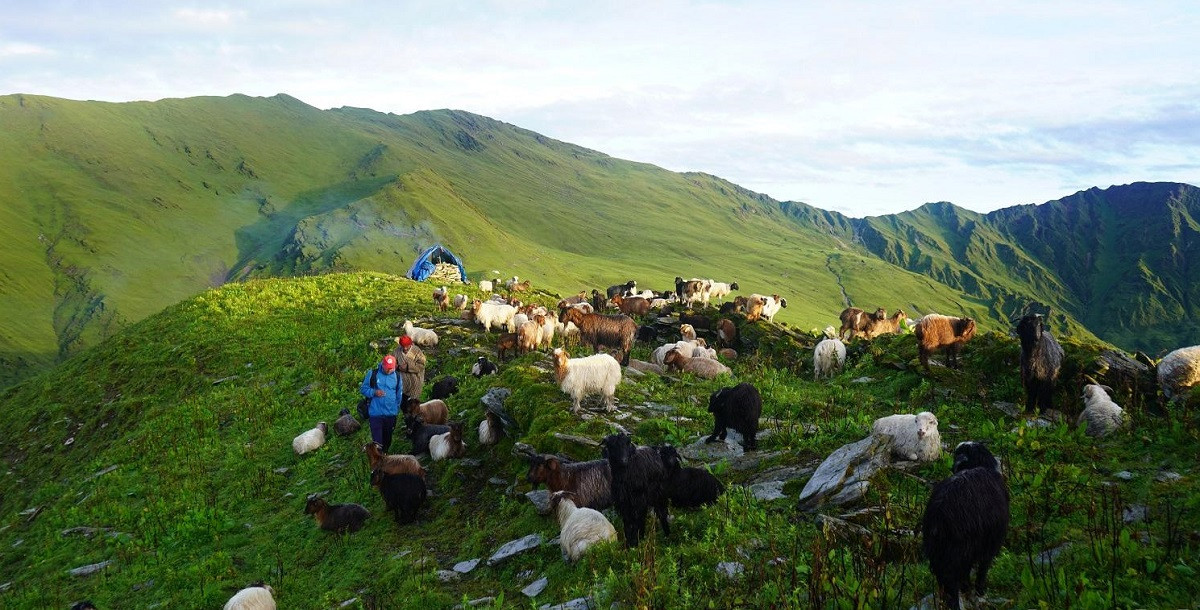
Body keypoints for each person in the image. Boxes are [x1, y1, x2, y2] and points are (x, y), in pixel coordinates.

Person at [360, 354, 403, 451]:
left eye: (391, 368)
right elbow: (363, 389)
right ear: (382, 365)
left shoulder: (397, 376)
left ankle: (385, 456)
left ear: (395, 366)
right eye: (387, 368)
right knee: (378, 443)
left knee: (387, 440)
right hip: (375, 414)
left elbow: (399, 394)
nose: (389, 370)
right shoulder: (373, 374)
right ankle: (378, 461)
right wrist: (374, 392)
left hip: (391, 414)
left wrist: (396, 409)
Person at [392, 335, 427, 404]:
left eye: (407, 346)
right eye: (403, 346)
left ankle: (414, 412)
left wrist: (408, 367)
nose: (405, 348)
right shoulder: (397, 351)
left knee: (413, 401)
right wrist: (398, 367)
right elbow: (392, 362)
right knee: (402, 400)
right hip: (402, 381)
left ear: (410, 344)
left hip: (415, 380)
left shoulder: (416, 351)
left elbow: (422, 365)